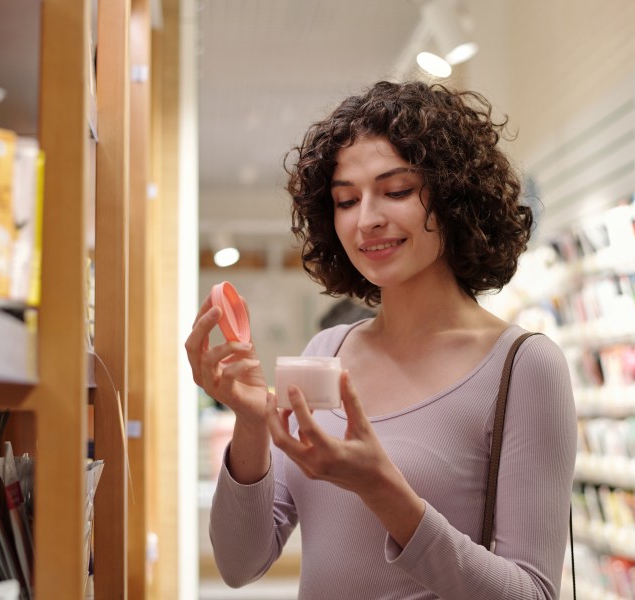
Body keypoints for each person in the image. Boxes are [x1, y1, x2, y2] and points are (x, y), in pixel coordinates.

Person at [186, 80, 577, 599]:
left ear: (457, 197)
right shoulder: (326, 354)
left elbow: (534, 594)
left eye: (396, 191)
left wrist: (383, 489)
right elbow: (239, 564)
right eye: (346, 200)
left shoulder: (522, 368)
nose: (367, 219)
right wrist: (252, 423)